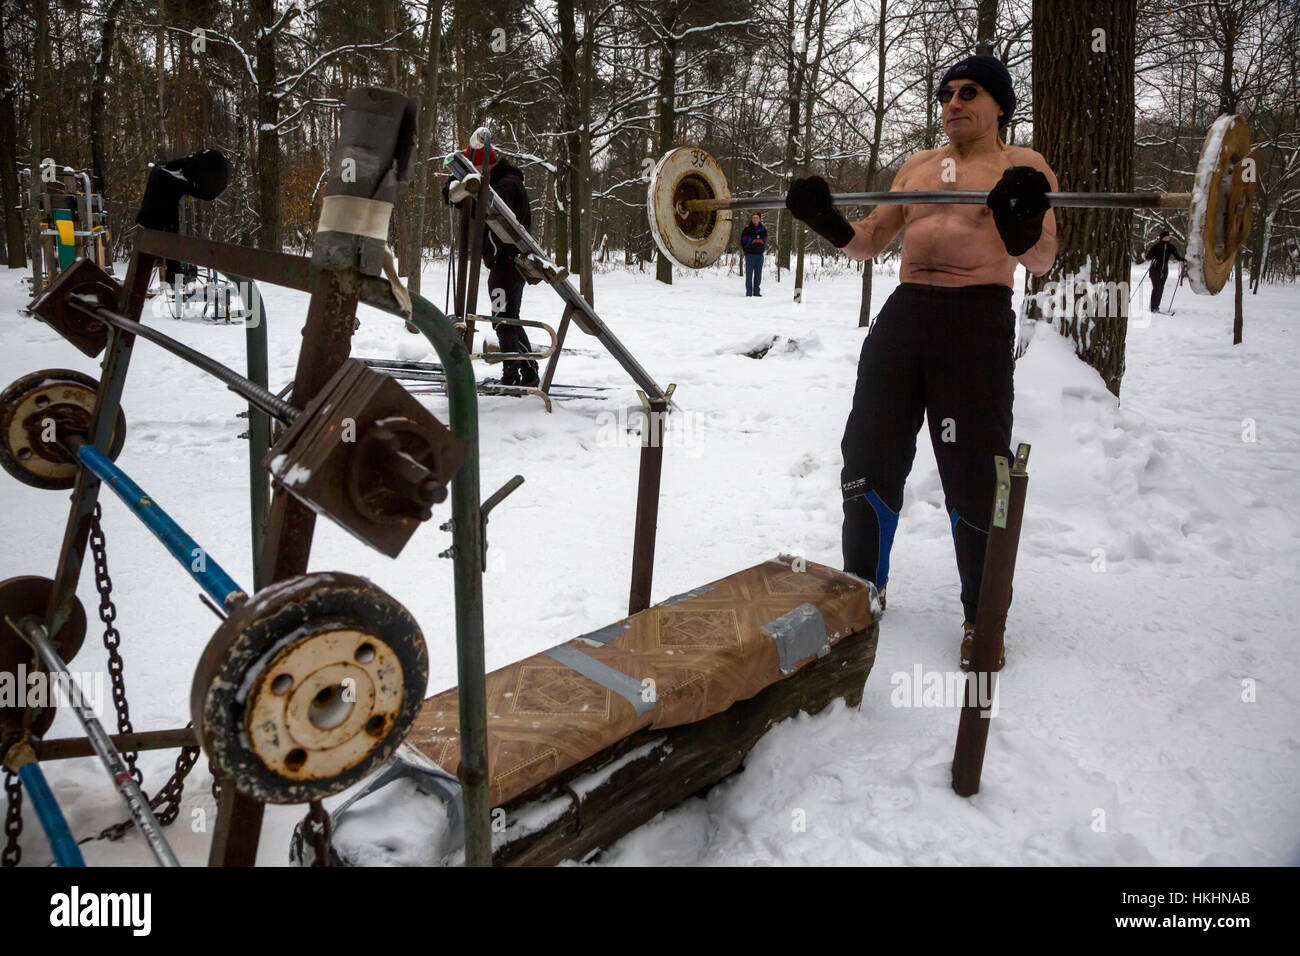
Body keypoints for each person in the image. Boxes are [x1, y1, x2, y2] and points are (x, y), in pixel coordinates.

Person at [785, 54, 1057, 671]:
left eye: (969, 92)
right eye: (946, 94)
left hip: (976, 315)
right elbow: (870, 242)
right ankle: (863, 590)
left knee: (974, 469)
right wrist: (823, 219)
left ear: (1000, 106)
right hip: (906, 315)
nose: (954, 102)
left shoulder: (1023, 167)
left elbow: (1042, 260)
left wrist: (1020, 223)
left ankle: (981, 618)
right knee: (868, 451)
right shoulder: (916, 167)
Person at [447, 143, 540, 388]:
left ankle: (512, 378)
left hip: (508, 263)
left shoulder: (507, 184)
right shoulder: (495, 180)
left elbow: (483, 208)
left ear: (483, 165)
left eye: (473, 168)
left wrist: (469, 190)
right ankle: (528, 374)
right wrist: (457, 187)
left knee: (504, 320)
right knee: (509, 318)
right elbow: (456, 198)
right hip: (502, 264)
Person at [1144, 229, 1185, 314]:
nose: (1167, 239)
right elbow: (1148, 256)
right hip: (1155, 270)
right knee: (1157, 288)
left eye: (1168, 237)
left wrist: (1184, 259)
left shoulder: (1171, 247)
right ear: (1162, 238)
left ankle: (1156, 306)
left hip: (1164, 271)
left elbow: (1177, 257)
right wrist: (1153, 255)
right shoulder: (1156, 246)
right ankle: (1153, 307)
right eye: (1165, 237)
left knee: (1161, 289)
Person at [740, 212, 768, 296]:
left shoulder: (763, 229)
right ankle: (749, 293)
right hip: (750, 255)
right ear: (752, 219)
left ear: (759, 219)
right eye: (753, 218)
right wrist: (751, 241)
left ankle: (756, 292)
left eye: (756, 218)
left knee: (758, 275)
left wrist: (759, 240)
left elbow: (764, 239)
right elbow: (743, 240)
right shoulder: (747, 229)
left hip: (759, 256)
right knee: (749, 275)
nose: (755, 219)